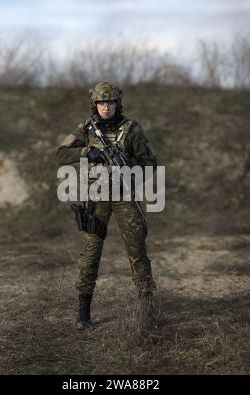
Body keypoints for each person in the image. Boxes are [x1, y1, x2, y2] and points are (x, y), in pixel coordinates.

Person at [56, 81, 157, 331]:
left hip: (125, 197)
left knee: (137, 252)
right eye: (101, 103)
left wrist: (132, 173)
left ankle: (146, 309)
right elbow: (60, 154)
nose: (105, 107)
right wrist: (86, 153)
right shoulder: (86, 129)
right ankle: (83, 314)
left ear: (117, 103)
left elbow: (150, 163)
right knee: (90, 254)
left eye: (110, 102)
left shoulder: (131, 130)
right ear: (94, 104)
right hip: (96, 196)